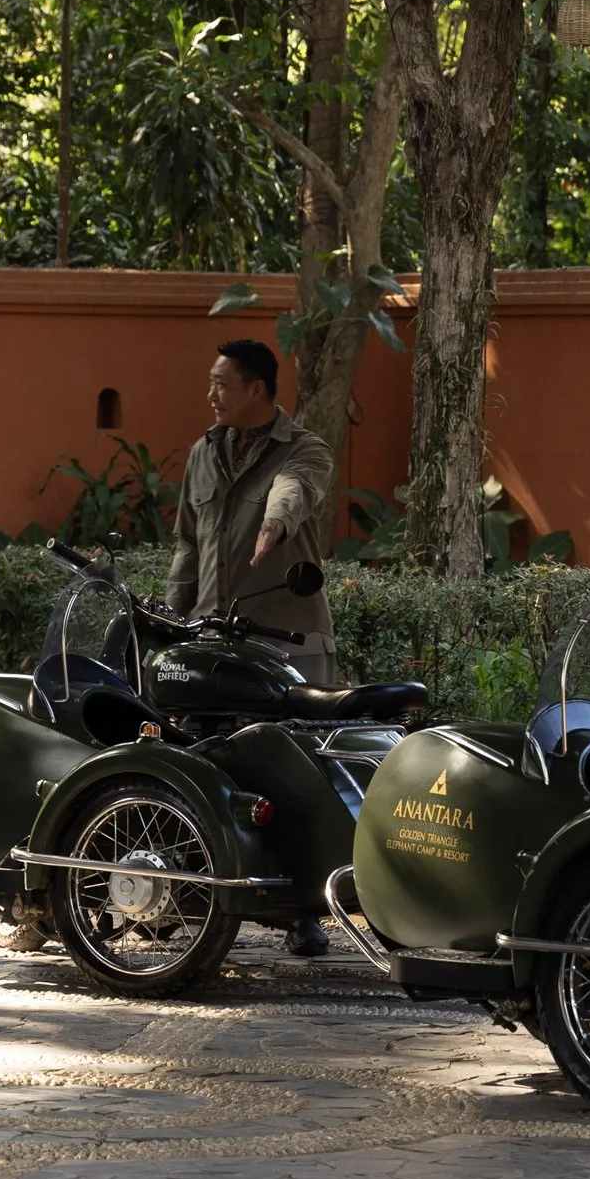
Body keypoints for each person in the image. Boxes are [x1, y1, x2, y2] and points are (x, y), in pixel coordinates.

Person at [163, 336, 336, 957]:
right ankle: (201, 890)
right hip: (214, 638)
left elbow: (294, 489)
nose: (210, 394)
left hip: (286, 641)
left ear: (257, 390)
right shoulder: (203, 454)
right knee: (210, 763)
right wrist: (170, 616)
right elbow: (187, 543)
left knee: (297, 774)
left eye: (221, 384)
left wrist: (273, 524)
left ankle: (307, 910)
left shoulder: (305, 449)